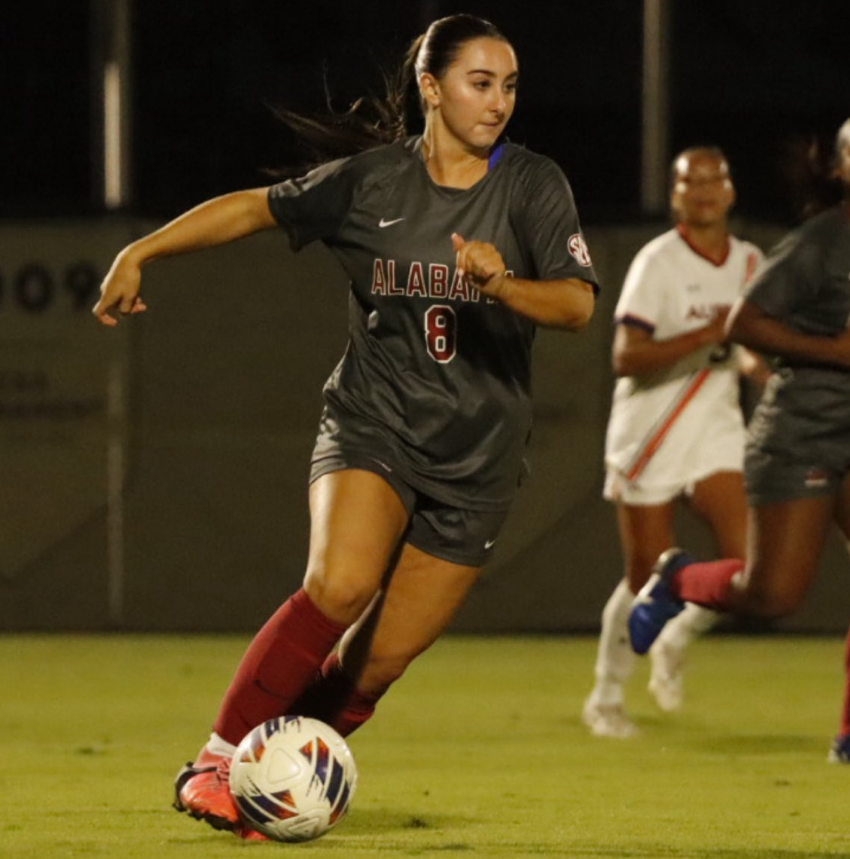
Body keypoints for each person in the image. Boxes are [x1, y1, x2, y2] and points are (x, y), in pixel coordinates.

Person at [93, 14, 597, 839]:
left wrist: (504, 284)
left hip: (479, 459)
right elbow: (254, 209)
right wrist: (141, 249)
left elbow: (576, 305)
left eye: (509, 84)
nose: (499, 101)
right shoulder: (371, 182)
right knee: (340, 583)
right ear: (431, 88)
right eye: (480, 81)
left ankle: (273, 778)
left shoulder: (534, 184)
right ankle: (216, 762)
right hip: (375, 423)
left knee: (379, 662)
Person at [628, 117, 850, 762]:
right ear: (840, 170)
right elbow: (743, 321)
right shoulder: (821, 242)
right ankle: (679, 576)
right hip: (803, 431)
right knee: (772, 595)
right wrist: (833, 351)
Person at [582, 148, 766, 738]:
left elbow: (751, 351)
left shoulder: (750, 262)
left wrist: (768, 366)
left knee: (752, 570)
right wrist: (711, 330)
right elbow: (626, 356)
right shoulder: (656, 262)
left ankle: (676, 634)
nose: (706, 191)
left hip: (715, 426)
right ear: (676, 194)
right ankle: (606, 698)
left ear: (733, 192)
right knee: (644, 578)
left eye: (717, 179)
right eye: (692, 182)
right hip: (651, 431)